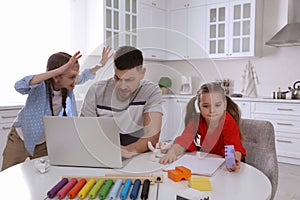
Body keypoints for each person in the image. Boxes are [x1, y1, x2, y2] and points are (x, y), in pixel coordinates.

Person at [1, 47, 113, 171]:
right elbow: (19, 86)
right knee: (7, 173)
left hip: (43, 142)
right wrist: (58, 71)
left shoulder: (66, 85)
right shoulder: (40, 86)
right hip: (20, 138)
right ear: (56, 76)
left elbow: (85, 76)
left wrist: (100, 64)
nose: (76, 80)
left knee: (43, 174)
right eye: (72, 77)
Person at [80, 45, 163, 159]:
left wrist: (130, 150)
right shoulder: (96, 91)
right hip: (102, 152)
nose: (122, 86)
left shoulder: (151, 91)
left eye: (129, 80)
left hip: (137, 154)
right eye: (117, 78)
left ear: (142, 73)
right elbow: (85, 131)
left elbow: (152, 134)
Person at [159, 82, 246, 171]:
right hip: (209, 162)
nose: (212, 110)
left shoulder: (228, 122)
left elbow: (233, 146)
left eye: (217, 105)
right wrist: (172, 152)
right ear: (199, 107)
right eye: (206, 106)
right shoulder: (196, 121)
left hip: (228, 161)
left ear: (224, 105)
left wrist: (232, 162)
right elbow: (184, 141)